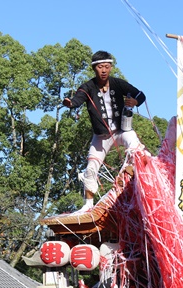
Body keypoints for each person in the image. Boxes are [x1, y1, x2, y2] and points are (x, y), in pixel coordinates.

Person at [62, 50, 146, 213]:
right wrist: (70, 103)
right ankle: (88, 204)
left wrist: (135, 101)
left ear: (111, 68)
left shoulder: (118, 83)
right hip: (101, 135)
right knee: (91, 167)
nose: (104, 70)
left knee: (136, 148)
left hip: (121, 129)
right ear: (94, 68)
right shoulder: (88, 87)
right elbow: (77, 99)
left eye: (107, 67)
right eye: (100, 67)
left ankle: (133, 181)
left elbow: (140, 95)